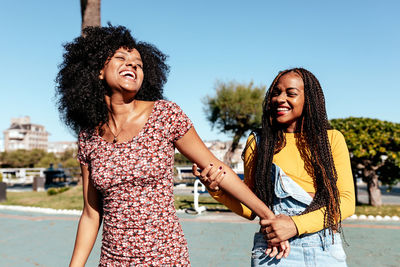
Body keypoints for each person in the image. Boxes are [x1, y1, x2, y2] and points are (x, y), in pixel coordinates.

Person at [55, 24, 289, 266]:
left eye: (139, 64)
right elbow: (91, 214)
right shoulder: (88, 138)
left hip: (165, 258)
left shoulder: (165, 115)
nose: (133, 65)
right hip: (113, 261)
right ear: (98, 71)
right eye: (121, 58)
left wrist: (268, 216)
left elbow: (218, 168)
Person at [193, 68, 355, 266]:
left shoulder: (332, 139)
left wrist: (295, 225)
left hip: (324, 248)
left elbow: (345, 202)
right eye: (276, 93)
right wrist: (216, 190)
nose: (280, 99)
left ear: (309, 100)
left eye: (291, 93)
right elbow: (250, 207)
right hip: (274, 251)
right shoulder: (259, 142)